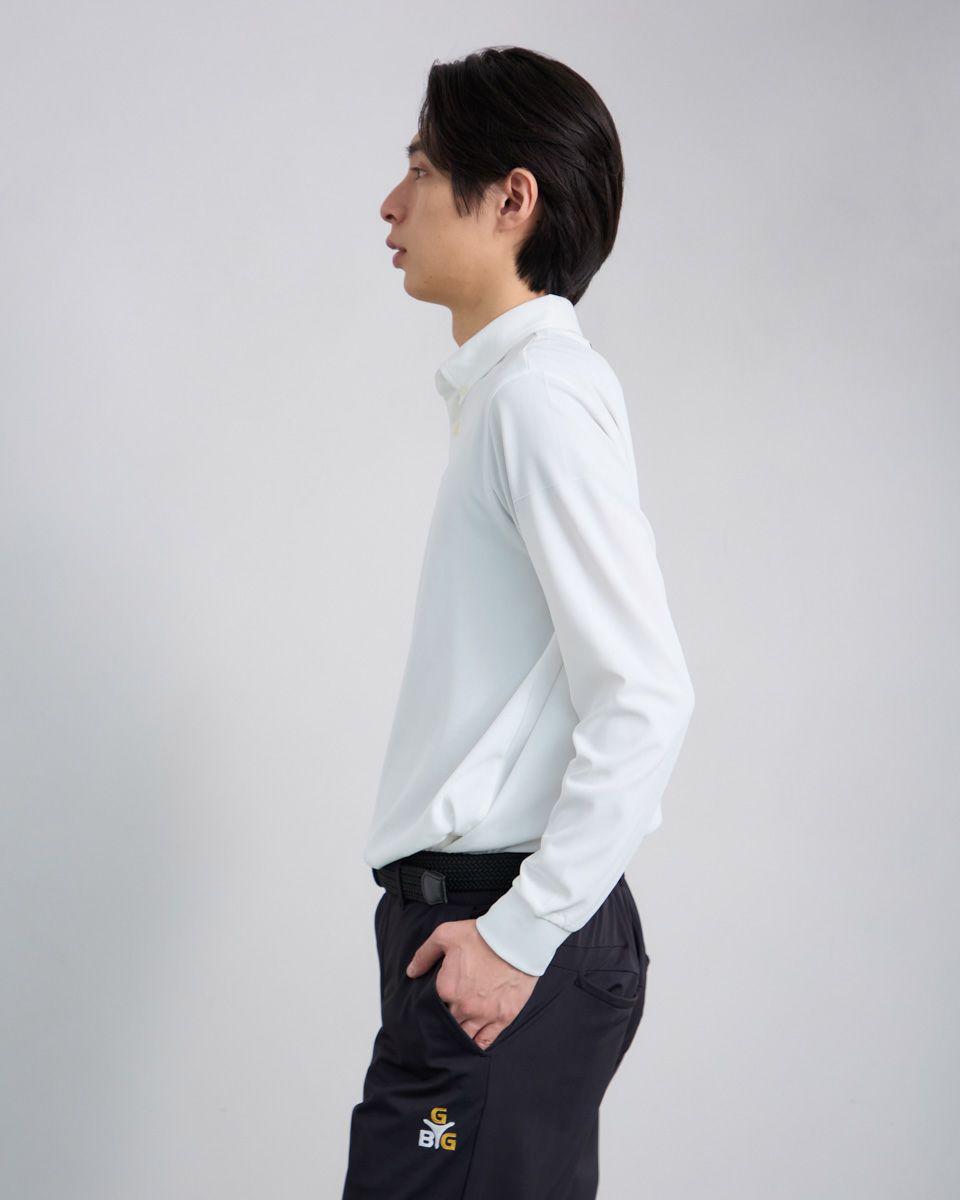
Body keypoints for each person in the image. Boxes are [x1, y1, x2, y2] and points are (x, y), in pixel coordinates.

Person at [341, 45, 696, 1200]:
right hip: (473, 937)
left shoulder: (538, 397)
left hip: (503, 935)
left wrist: (521, 935)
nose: (390, 204)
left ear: (511, 199)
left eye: (421, 170)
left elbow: (645, 695)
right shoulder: (510, 396)